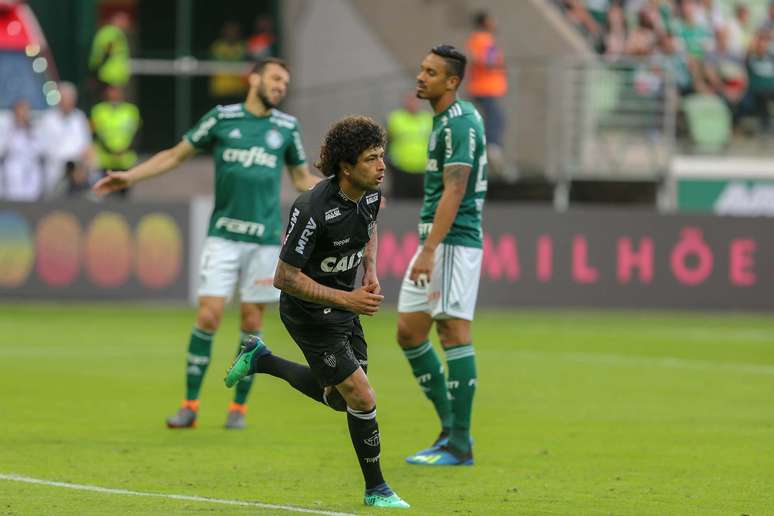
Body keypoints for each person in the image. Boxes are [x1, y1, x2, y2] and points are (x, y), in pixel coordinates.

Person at [92, 58, 319, 429]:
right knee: (209, 315)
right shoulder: (221, 118)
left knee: (251, 320)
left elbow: (299, 178)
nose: (281, 86)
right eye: (276, 79)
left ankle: (238, 409)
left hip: (263, 241)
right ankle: (190, 406)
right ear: (255, 78)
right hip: (223, 236)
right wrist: (130, 177)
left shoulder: (286, 127)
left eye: (285, 82)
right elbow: (176, 154)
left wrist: (344, 190)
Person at [224, 116, 409, 508]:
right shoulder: (311, 209)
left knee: (340, 399)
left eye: (382, 156)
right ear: (346, 167)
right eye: (372, 159)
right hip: (308, 312)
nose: (382, 166)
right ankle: (377, 489)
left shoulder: (372, 194)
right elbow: (284, 278)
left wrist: (369, 270)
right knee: (361, 396)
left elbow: (370, 225)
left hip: (342, 303)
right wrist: (349, 300)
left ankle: (263, 359)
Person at [396, 45, 487, 466]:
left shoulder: (462, 123)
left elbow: (456, 189)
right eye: (421, 68)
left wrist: (431, 249)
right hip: (435, 242)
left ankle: (460, 443)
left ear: (452, 81)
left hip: (452, 242)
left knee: (452, 332)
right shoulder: (441, 121)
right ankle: (450, 429)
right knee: (410, 332)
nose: (420, 76)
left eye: (430, 72)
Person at [465, 11, 513, 181]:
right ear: (484, 22)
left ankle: (489, 150)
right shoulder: (481, 38)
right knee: (497, 118)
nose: (495, 22)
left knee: (494, 118)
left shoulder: (485, 39)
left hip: (488, 87)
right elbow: (482, 60)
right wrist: (497, 63)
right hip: (484, 87)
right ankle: (492, 147)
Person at [39, 82, 92, 197]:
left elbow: (86, 147)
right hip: (55, 174)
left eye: (71, 99)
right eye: (66, 99)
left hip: (77, 174)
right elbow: (43, 150)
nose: (69, 102)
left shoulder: (79, 118)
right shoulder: (48, 120)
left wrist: (81, 168)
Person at [90, 85, 141, 198]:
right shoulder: (98, 110)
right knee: (104, 193)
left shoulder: (131, 110)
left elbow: (136, 133)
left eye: (116, 91)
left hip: (125, 160)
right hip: (105, 161)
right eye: (111, 91)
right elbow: (96, 133)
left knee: (124, 195)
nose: (113, 94)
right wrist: (111, 151)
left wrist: (124, 149)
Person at [386, 92, 432, 199]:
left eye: (415, 101)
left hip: (422, 170)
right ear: (405, 102)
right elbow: (385, 141)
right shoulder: (395, 118)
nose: (412, 104)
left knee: (419, 206)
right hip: (400, 169)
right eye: (410, 101)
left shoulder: (428, 119)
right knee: (401, 204)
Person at [0, 99, 45, 201]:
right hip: (13, 171)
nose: (23, 114)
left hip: (32, 172)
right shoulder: (6, 128)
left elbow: (41, 150)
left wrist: (30, 131)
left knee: (32, 199)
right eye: (21, 111)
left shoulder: (34, 129)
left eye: (26, 111)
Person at [88, 11, 131, 90]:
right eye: (125, 21)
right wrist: (95, 74)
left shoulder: (111, 32)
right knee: (110, 100)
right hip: (109, 76)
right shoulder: (112, 32)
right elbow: (107, 50)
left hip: (108, 75)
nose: (127, 24)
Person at [209, 21, 248, 105]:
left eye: (234, 31)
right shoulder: (217, 46)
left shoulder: (243, 46)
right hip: (221, 89)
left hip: (237, 89)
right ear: (224, 32)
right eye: (229, 31)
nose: (231, 33)